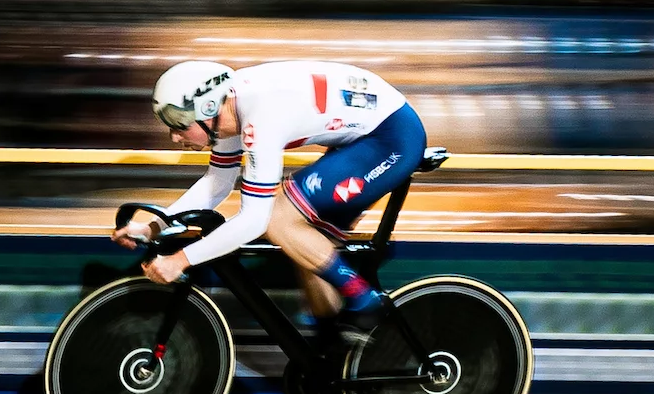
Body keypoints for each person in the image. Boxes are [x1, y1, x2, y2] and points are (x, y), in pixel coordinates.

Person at [113, 59, 425, 344]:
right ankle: (332, 351)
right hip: (363, 139)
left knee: (278, 220)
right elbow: (217, 184)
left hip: (391, 138)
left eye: (179, 124)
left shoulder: (260, 119)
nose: (174, 137)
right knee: (302, 243)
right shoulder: (229, 109)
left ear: (208, 108)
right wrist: (153, 227)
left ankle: (366, 301)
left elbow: (255, 221)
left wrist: (180, 260)